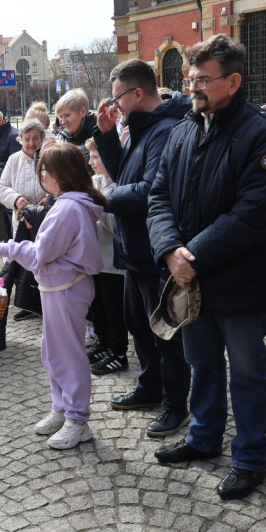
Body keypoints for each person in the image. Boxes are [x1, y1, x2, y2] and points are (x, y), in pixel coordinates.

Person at [148, 34, 266, 501]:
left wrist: (193, 256)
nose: (192, 87)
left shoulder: (262, 132)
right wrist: (170, 249)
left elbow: (254, 212)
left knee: (247, 371)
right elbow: (159, 196)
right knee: (200, 362)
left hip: (238, 281)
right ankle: (204, 438)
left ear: (233, 81)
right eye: (189, 79)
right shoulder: (182, 130)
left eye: (202, 80)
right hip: (187, 277)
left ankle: (249, 458)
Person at [94, 59, 191, 439]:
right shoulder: (139, 127)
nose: (114, 106)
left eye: (117, 98)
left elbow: (150, 189)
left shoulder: (164, 130)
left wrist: (102, 197)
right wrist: (105, 138)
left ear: (138, 93)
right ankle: (151, 387)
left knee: (165, 333)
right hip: (134, 249)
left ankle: (176, 403)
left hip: (155, 250)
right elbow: (126, 176)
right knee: (139, 325)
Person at [0, 143, 105, 450]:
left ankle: (76, 418)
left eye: (45, 171)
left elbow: (41, 254)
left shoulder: (67, 208)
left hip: (66, 288)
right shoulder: (69, 204)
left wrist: (9, 248)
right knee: (54, 351)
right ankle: (64, 409)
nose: (42, 176)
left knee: (67, 354)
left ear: (58, 175)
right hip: (61, 287)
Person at [0, 120, 49, 329]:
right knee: (24, 259)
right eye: (27, 139)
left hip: (45, 217)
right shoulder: (14, 160)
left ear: (42, 139)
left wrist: (49, 199)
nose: (31, 143)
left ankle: (46, 301)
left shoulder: (48, 157)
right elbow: (2, 186)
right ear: (21, 140)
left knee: (45, 256)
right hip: (22, 217)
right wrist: (16, 199)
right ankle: (27, 302)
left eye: (36, 138)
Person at [84, 137, 128, 376]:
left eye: (96, 157)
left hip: (112, 261)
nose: (91, 162)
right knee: (97, 304)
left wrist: (95, 211)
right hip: (94, 258)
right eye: (90, 157)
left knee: (113, 308)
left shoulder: (117, 185)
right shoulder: (94, 182)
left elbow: (114, 227)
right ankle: (103, 342)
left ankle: (118, 352)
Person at [53, 88, 98, 161]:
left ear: (82, 112)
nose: (63, 122)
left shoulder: (98, 138)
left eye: (67, 115)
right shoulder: (60, 137)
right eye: (61, 117)